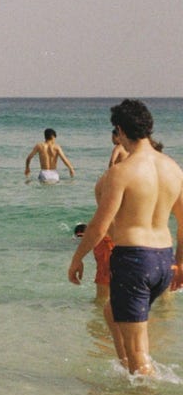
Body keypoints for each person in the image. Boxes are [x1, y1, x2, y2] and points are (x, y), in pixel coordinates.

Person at [69, 99, 183, 376]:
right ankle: (127, 374)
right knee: (111, 312)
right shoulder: (173, 169)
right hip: (162, 259)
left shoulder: (122, 172)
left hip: (134, 260)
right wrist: (179, 262)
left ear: (119, 131)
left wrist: (77, 258)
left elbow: (99, 225)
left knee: (139, 351)